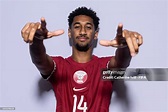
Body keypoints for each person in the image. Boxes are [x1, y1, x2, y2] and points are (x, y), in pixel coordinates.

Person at [21, 7, 143, 112]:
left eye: (88, 27)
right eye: (77, 27)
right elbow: (39, 61)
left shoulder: (104, 67)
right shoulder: (60, 66)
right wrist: (36, 40)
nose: (83, 31)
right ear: (70, 32)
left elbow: (121, 63)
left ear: (95, 34)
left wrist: (125, 47)